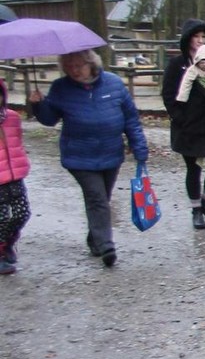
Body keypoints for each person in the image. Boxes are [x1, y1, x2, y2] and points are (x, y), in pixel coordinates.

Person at [28, 50, 148, 267]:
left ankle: (95, 237)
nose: (74, 71)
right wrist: (38, 105)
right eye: (69, 67)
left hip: (111, 153)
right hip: (79, 156)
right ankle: (106, 246)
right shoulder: (61, 88)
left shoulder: (113, 83)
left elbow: (131, 118)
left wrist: (138, 146)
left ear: (91, 63)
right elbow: (49, 119)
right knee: (97, 197)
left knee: (103, 197)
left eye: (79, 66)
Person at [161, 19, 205, 230]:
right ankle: (196, 209)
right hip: (189, 125)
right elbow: (168, 94)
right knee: (193, 167)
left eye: (203, 37)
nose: (200, 41)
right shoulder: (178, 65)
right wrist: (179, 117)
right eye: (196, 37)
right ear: (188, 39)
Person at [0, 78, 30, 275]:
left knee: (22, 213)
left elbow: (18, 141)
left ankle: (8, 242)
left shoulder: (12, 117)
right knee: (1, 218)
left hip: (15, 175)